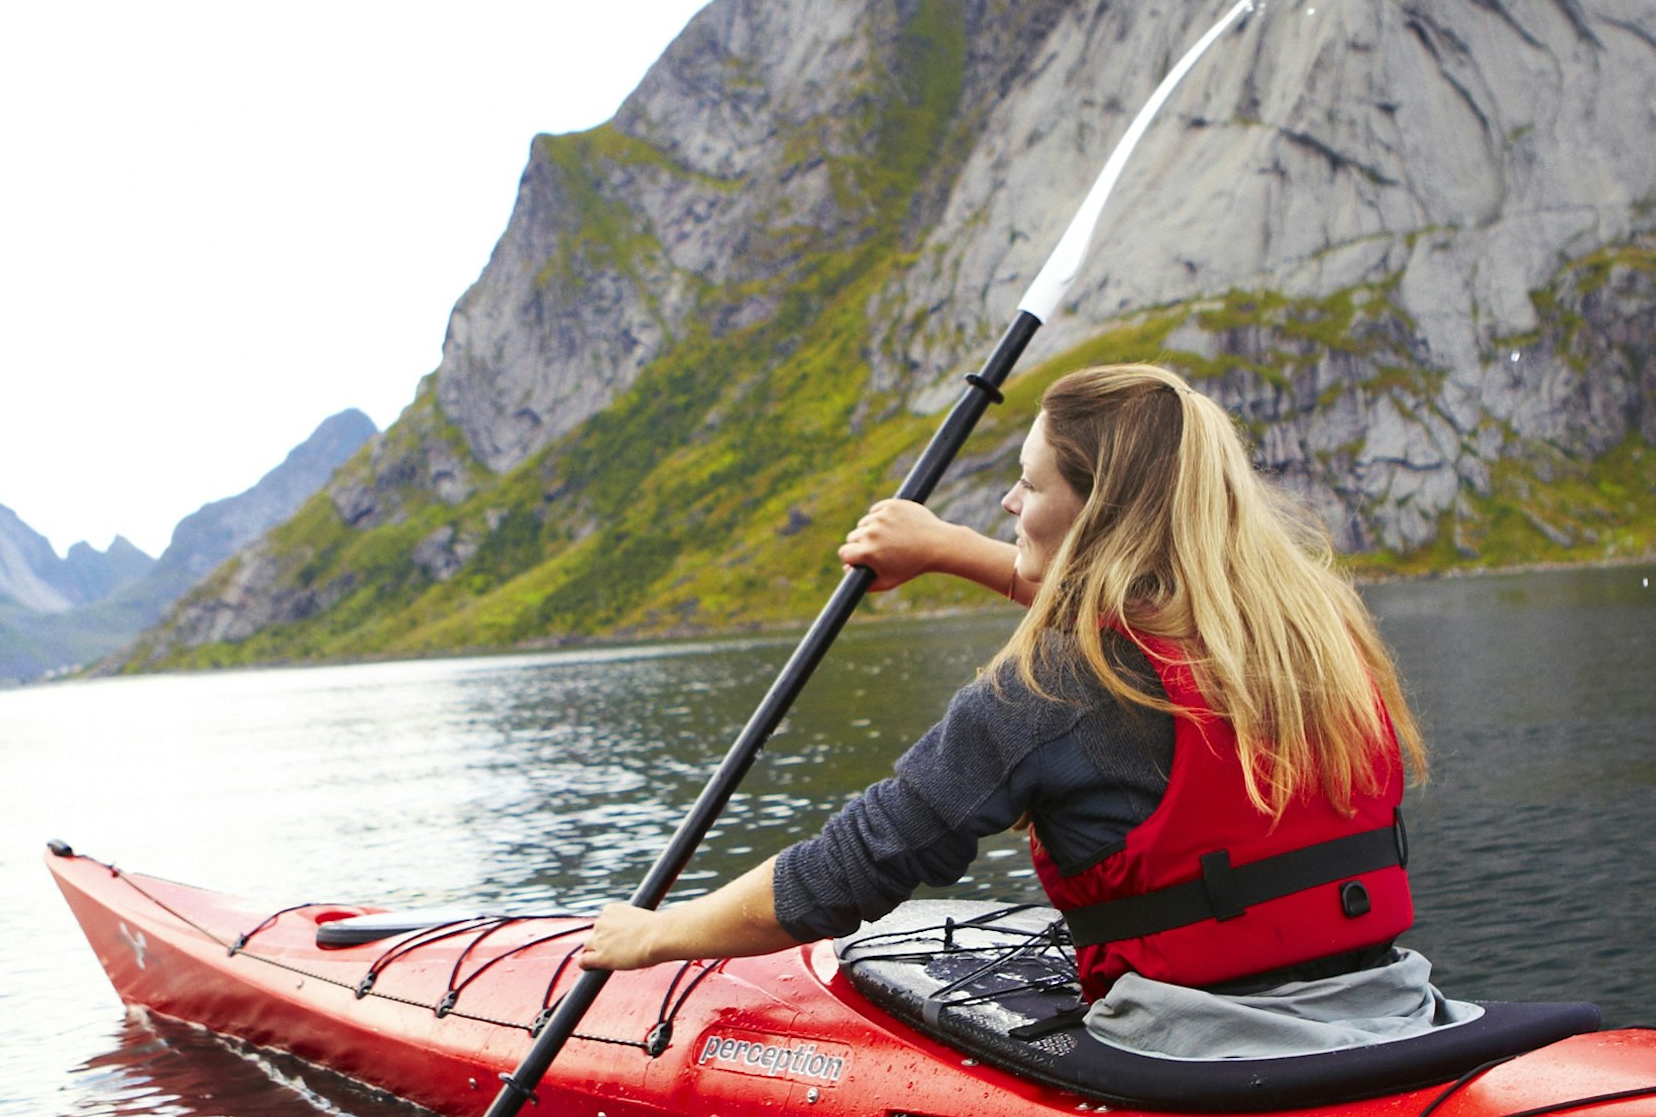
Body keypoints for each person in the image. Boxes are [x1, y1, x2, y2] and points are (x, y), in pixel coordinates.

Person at [578, 363, 1441, 1058]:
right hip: (1390, 1000)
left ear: (1096, 511)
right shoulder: (1313, 626)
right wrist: (945, 549)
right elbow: (1132, 607)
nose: (1009, 503)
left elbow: (847, 869)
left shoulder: (1050, 691)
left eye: (1028, 484)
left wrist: (658, 935)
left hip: (1195, 1044)